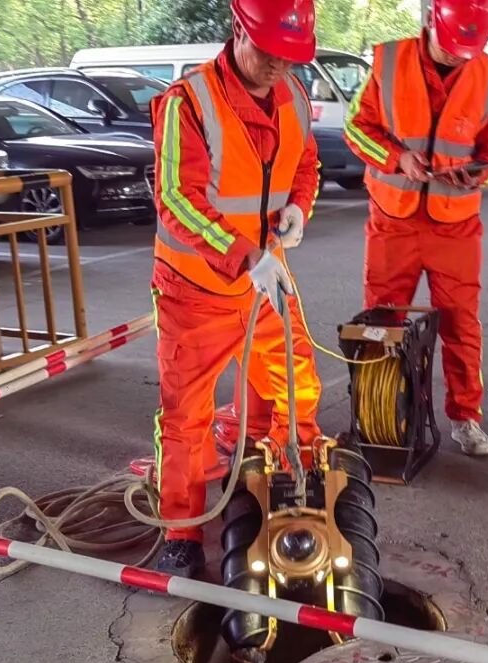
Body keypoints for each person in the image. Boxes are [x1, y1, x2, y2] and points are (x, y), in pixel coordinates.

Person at [148, 0, 323, 577]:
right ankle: (181, 530)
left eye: (290, 56)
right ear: (238, 30)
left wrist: (299, 207)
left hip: (263, 282)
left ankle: (291, 486)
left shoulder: (293, 96)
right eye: (269, 51)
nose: (279, 65)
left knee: (296, 386)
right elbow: (177, 198)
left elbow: (306, 166)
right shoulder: (189, 103)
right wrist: (245, 254)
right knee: (187, 419)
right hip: (194, 291)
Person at [343, 0, 488, 457]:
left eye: (469, 50)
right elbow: (355, 129)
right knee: (383, 321)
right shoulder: (388, 61)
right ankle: (381, 418)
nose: (460, 57)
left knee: (461, 325)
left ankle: (465, 417)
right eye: (453, 48)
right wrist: (396, 158)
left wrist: (479, 172)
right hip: (393, 218)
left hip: (455, 224)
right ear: (430, 23)